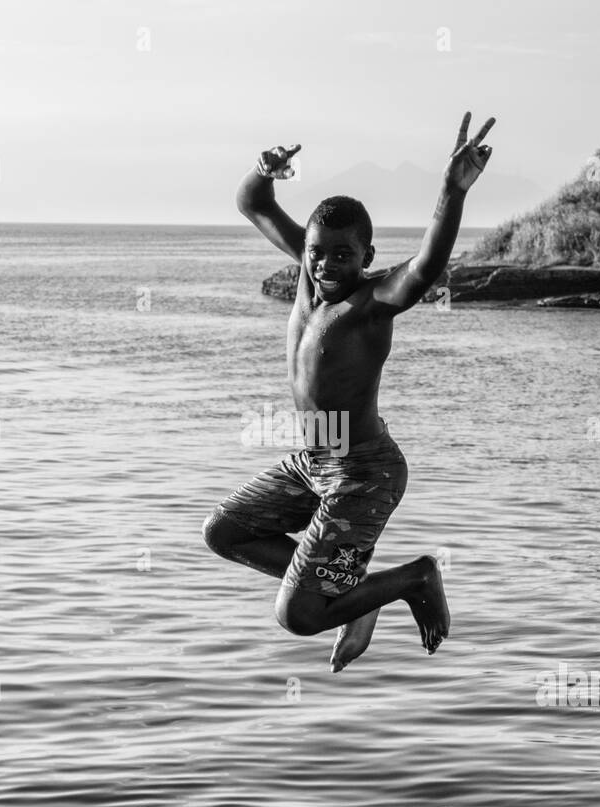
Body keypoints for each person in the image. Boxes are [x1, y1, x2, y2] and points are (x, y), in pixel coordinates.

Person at [202, 112, 495, 672]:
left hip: (363, 473)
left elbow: (428, 265)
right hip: (314, 462)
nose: (326, 264)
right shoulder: (310, 278)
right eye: (316, 252)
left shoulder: (373, 302)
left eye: (342, 255)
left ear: (366, 255)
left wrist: (450, 191)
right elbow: (252, 204)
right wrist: (263, 172)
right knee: (225, 531)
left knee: (299, 616)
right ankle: (354, 596)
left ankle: (414, 578)